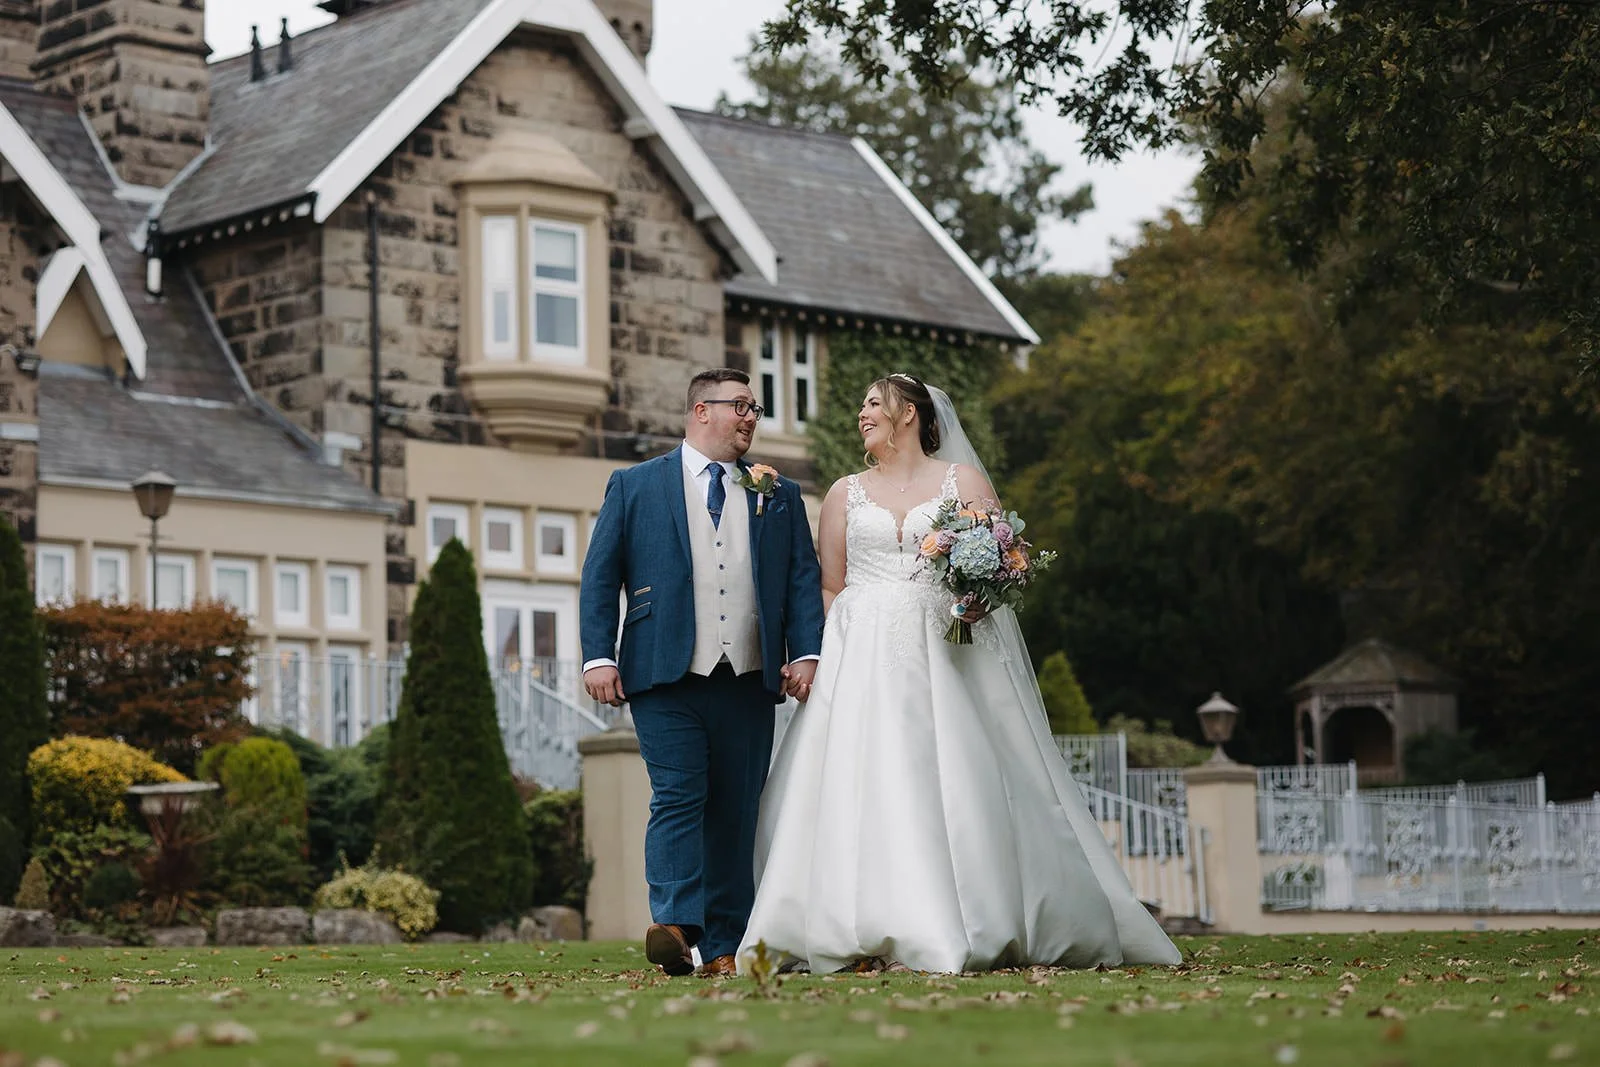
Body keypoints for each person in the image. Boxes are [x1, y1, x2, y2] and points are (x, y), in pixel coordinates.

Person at [738, 373, 1182, 974]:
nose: (862, 414)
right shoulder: (844, 492)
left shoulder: (963, 482)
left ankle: (982, 918)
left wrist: (982, 595)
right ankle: (851, 921)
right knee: (859, 776)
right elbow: (830, 583)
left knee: (958, 773)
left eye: (874, 404)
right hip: (860, 646)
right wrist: (812, 652)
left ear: (911, 414)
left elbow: (1004, 562)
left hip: (947, 644)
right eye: (863, 406)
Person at [580, 368, 825, 978]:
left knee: (736, 810)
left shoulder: (779, 494)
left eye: (754, 408)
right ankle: (676, 926)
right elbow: (599, 575)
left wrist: (806, 651)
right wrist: (598, 655)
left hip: (747, 674)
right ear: (700, 412)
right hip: (663, 673)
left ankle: (723, 946)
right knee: (677, 797)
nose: (750, 418)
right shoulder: (635, 485)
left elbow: (799, 579)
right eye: (739, 406)